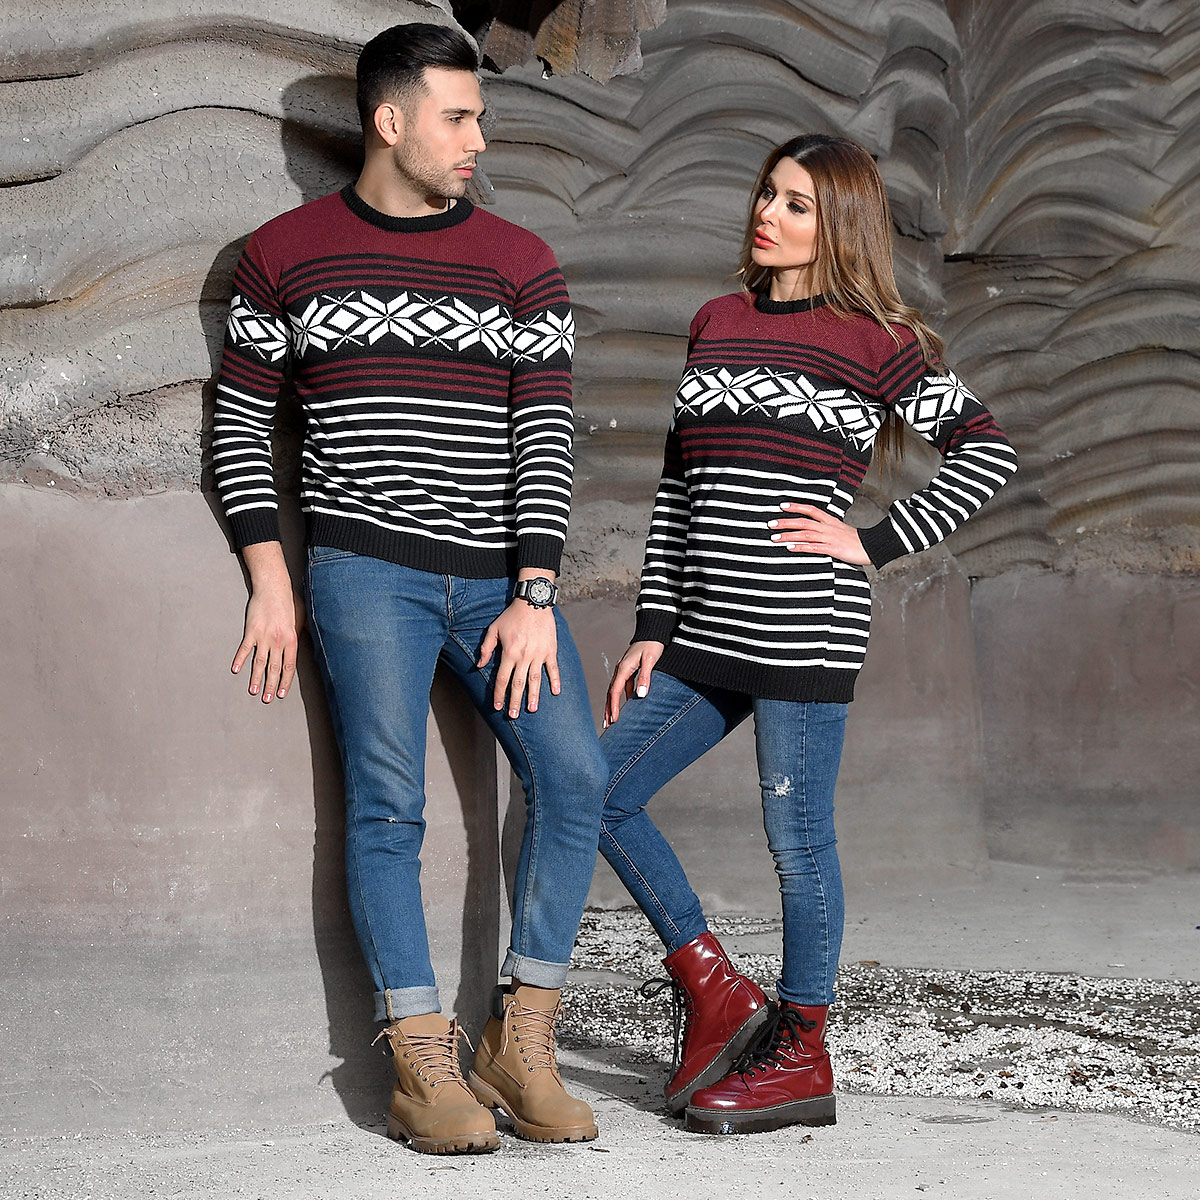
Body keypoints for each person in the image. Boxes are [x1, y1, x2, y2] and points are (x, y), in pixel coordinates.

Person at [211, 23, 605, 1155]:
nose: (479, 139)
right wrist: (271, 580)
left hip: (497, 588)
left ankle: (521, 1036)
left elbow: (544, 440)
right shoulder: (283, 255)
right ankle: (420, 1058)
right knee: (389, 808)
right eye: (458, 117)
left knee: (575, 773)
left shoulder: (522, 262)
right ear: (390, 121)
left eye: (480, 117)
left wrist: (536, 592)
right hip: (362, 574)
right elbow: (239, 430)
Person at [599, 134, 1019, 1136]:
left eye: (798, 204)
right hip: (706, 625)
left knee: (796, 842)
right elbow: (678, 489)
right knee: (593, 789)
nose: (769, 214)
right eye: (768, 193)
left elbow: (987, 452)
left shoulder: (878, 342)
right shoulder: (716, 321)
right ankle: (713, 988)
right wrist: (653, 625)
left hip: (805, 625)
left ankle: (801, 1053)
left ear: (839, 227)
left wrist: (870, 542)